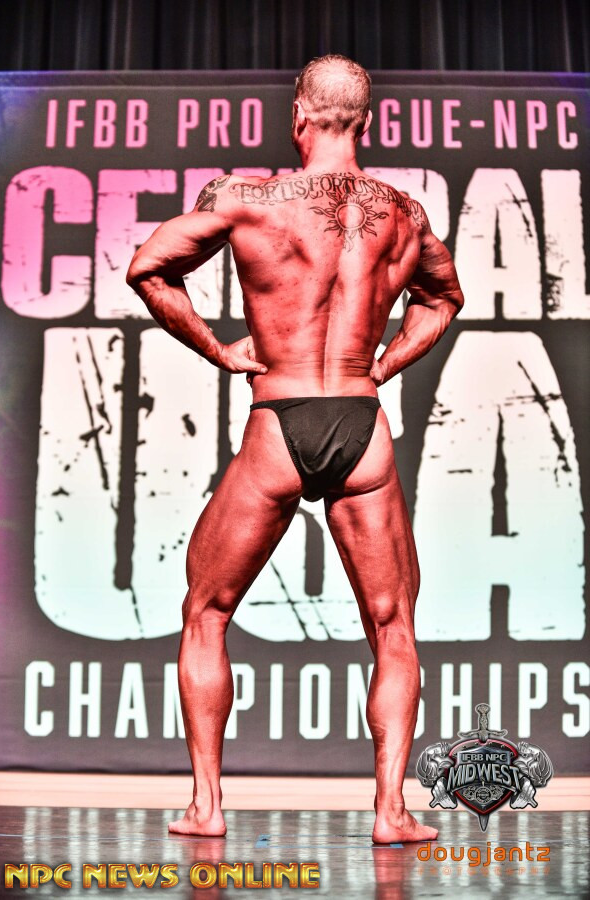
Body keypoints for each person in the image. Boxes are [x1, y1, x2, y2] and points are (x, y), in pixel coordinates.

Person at [126, 54, 464, 844]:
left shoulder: (247, 200)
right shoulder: (404, 214)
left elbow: (149, 268)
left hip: (278, 419)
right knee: (393, 627)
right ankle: (391, 812)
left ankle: (207, 807)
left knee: (207, 611)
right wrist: (383, 364)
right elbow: (443, 299)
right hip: (361, 424)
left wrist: (219, 350)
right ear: (365, 122)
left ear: (300, 118)